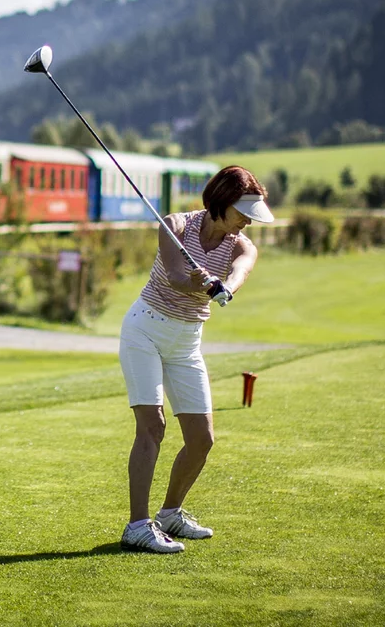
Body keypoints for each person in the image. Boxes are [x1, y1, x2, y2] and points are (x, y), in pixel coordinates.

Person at [117, 165, 273, 554]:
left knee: (202, 439)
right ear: (221, 203)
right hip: (145, 331)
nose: (246, 223)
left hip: (186, 342)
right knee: (152, 426)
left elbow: (241, 270)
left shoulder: (241, 243)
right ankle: (138, 525)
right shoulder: (176, 226)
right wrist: (196, 281)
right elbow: (172, 274)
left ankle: (170, 513)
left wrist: (224, 287)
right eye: (242, 214)